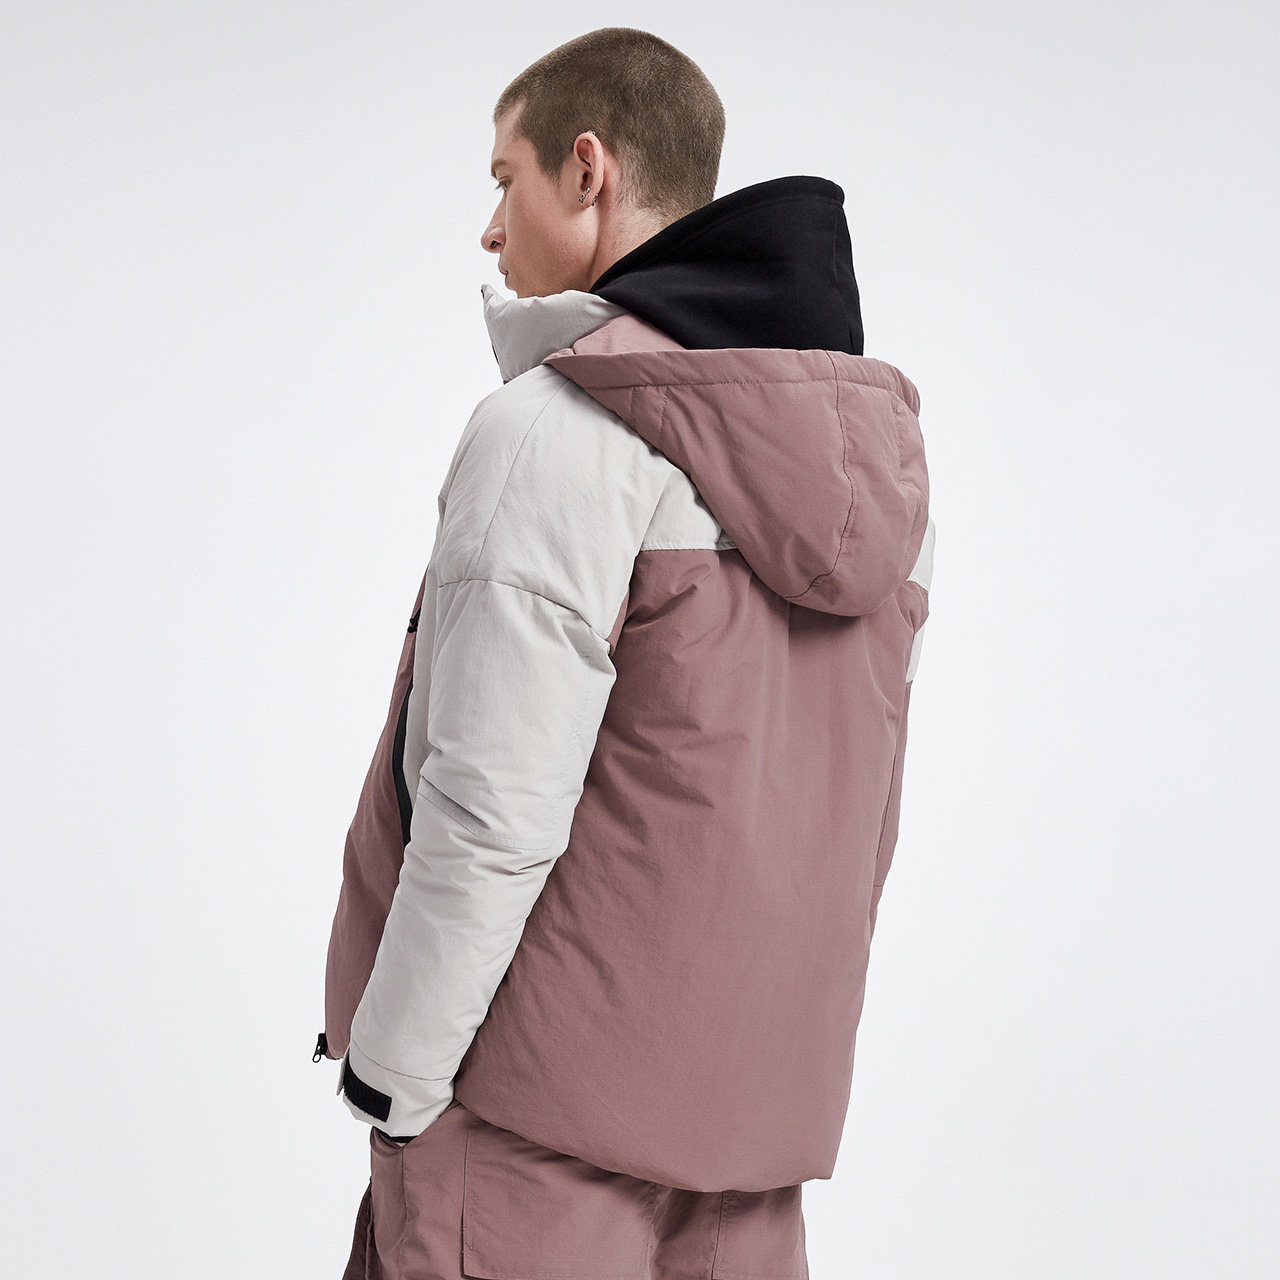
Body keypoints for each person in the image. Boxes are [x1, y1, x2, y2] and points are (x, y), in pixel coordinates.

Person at [316, 25, 935, 1280]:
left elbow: (488, 803)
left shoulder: (554, 433)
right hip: (747, 1139)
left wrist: (393, 1075)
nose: (490, 227)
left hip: (524, 1133)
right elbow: (856, 828)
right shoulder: (877, 474)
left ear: (587, 169)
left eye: (506, 179)